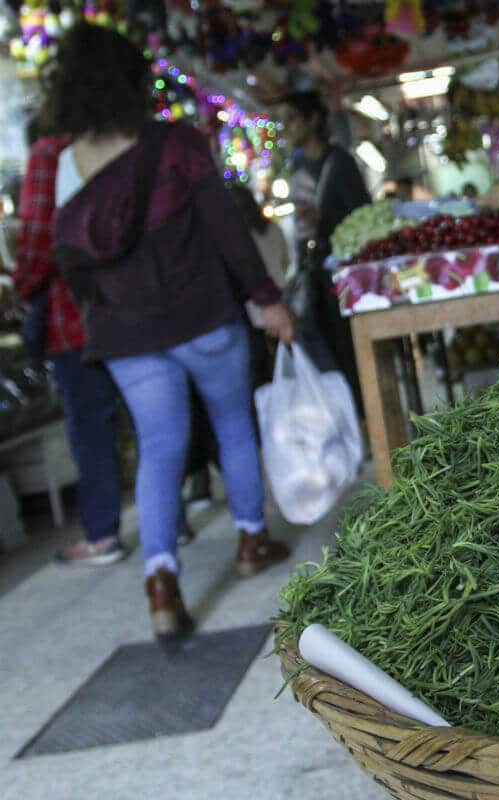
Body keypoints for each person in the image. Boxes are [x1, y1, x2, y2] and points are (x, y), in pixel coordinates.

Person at [48, 24, 296, 640]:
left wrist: (105, 313)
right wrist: (265, 299)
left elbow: (70, 263)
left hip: (127, 334)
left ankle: (160, 581)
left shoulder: (65, 167)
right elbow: (227, 233)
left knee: (159, 448)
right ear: (132, 81)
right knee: (234, 425)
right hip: (203, 316)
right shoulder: (178, 145)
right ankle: (250, 541)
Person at [14, 115, 127, 566]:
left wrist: (22, 286)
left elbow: (38, 241)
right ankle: (171, 525)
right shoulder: (112, 139)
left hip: (75, 318)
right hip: (127, 309)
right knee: (145, 419)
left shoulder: (48, 154)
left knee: (90, 428)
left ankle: (101, 536)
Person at [279, 90, 369, 409]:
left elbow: (363, 217)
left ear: (313, 120)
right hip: (314, 274)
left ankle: (362, 416)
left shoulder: (341, 163)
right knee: (325, 352)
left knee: (350, 351)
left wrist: (326, 218)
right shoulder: (297, 168)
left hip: (343, 278)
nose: (286, 127)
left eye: (291, 119)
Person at [229, 183, 290, 387]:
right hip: (282, 302)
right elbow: (285, 261)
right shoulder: (272, 228)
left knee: (262, 373)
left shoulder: (237, 240)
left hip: (254, 311)